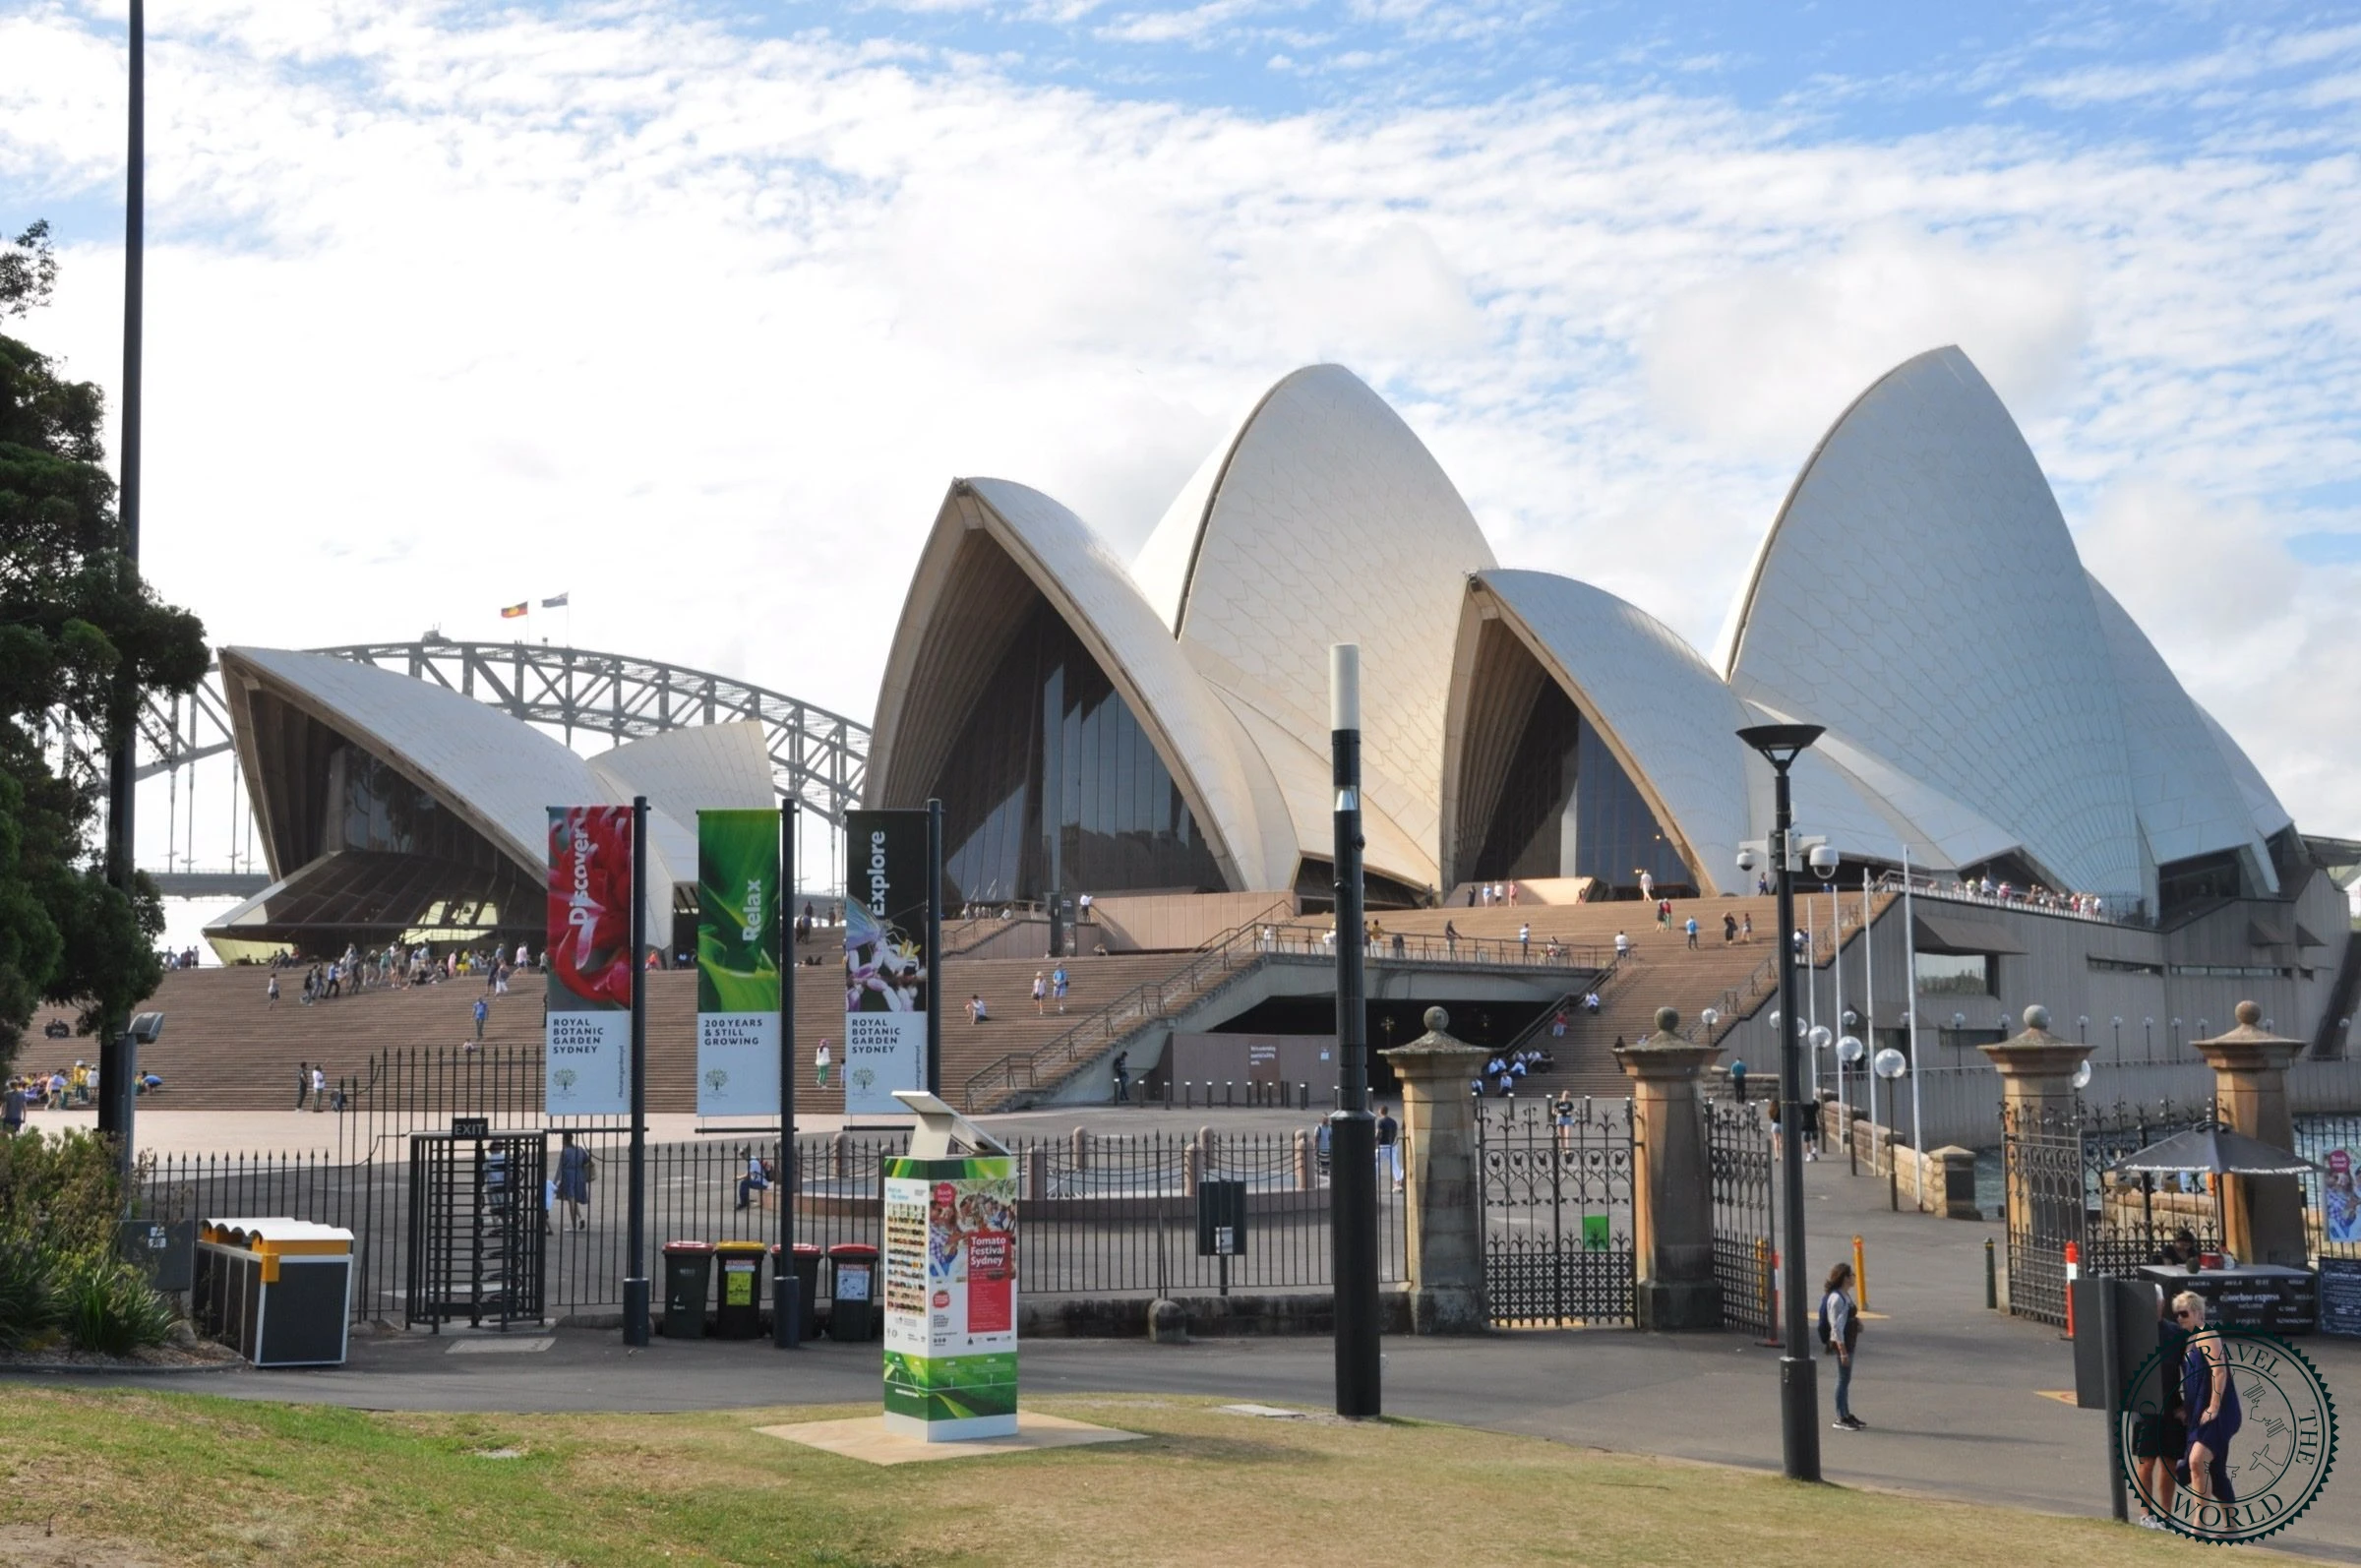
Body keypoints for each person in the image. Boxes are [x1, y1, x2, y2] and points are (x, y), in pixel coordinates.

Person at [2176, 1292, 2242, 1521]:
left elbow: (2219, 1371)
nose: (2180, 1318)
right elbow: (2193, 1379)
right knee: (2214, 1469)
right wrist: (2186, 1407)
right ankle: (2231, 1525)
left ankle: (2199, 1522)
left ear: (2197, 1313)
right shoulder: (2188, 1340)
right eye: (2177, 1314)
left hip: (2219, 1412)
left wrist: (2214, 1406)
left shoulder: (2207, 1335)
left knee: (2197, 1460)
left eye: (2184, 1313)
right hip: (2198, 1412)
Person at [2132, 1287, 2192, 1528]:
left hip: (2171, 1403)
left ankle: (2167, 1516)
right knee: (2146, 1461)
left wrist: (2188, 1405)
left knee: (2170, 1462)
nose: (2153, 1307)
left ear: (2162, 1303)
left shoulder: (2176, 1333)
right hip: (2144, 1404)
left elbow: (2192, 1372)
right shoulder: (2134, 1331)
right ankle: (2146, 1513)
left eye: (2157, 1302)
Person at [1821, 1261, 1864, 1429]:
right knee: (1842, 1379)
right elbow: (1836, 1327)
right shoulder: (1836, 1299)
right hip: (1843, 1343)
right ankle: (1840, 1416)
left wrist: (1857, 1322)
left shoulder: (1845, 1295)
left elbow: (1848, 1316)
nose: (1854, 1277)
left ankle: (1846, 1413)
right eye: (1851, 1275)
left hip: (1850, 1340)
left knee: (1846, 1379)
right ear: (1845, 1278)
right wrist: (1842, 1351)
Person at [556, 1132, 592, 1230]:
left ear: (564, 1140)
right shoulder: (580, 1149)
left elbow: (560, 1168)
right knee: (574, 1199)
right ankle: (581, 1218)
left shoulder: (565, 1151)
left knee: (571, 1201)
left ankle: (574, 1226)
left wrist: (555, 1182)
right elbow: (587, 1160)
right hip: (579, 1175)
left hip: (569, 1176)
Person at [1375, 1104, 1403, 1190]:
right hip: (1391, 1145)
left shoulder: (1380, 1122)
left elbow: (1378, 1133)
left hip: (1382, 1145)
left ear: (1381, 1111)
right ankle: (1398, 1181)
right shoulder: (1393, 1121)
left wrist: (1375, 1140)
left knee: (1376, 1163)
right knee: (1394, 1164)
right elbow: (1395, 1133)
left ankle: (1373, 1180)